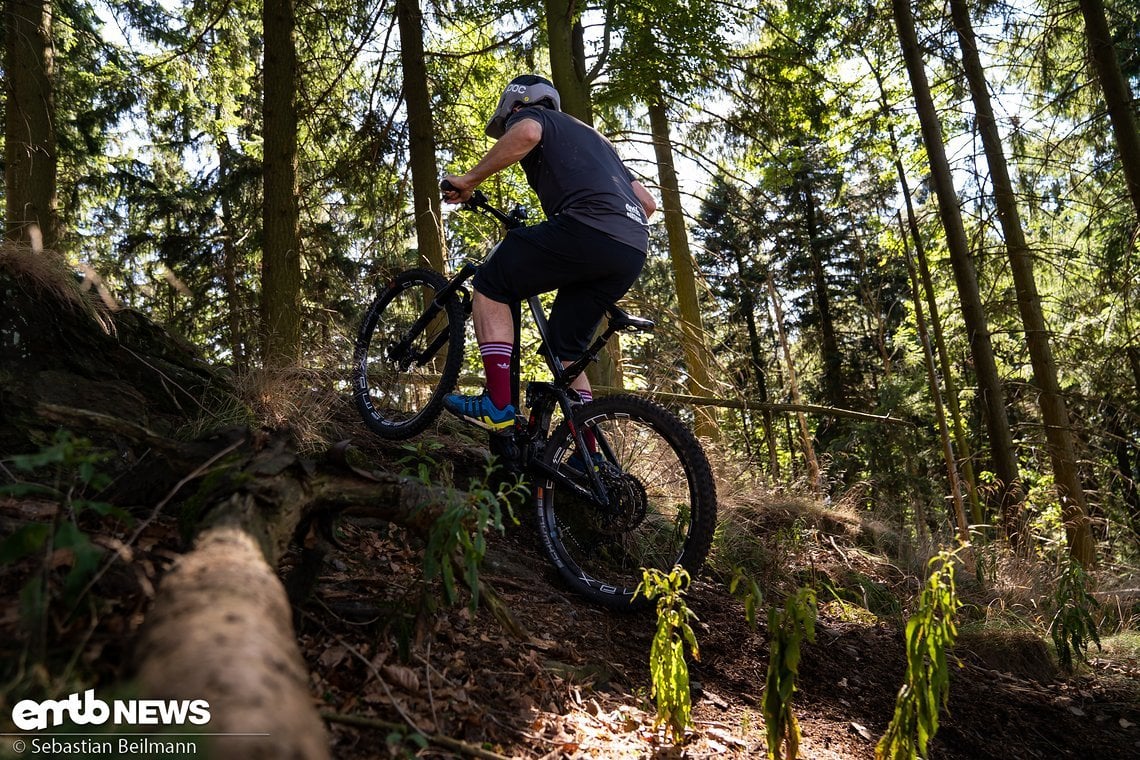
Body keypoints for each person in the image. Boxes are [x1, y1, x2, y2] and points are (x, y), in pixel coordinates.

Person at [440, 74, 657, 433]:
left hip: (588, 228)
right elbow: (647, 204)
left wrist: (467, 181)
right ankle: (591, 455)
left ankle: (497, 405)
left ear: (518, 106)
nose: (511, 125)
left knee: (492, 282)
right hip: (631, 247)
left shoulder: (539, 119)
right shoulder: (598, 141)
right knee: (565, 353)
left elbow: (526, 135)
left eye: (509, 119)